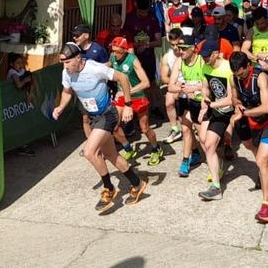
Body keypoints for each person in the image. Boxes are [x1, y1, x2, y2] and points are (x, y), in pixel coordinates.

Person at [51, 43, 148, 212]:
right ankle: (137, 183)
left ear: (78, 58)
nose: (65, 66)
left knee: (90, 152)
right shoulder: (66, 73)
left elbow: (122, 78)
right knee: (111, 155)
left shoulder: (94, 68)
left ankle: (109, 188)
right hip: (95, 117)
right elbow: (67, 92)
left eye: (67, 62)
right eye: (63, 63)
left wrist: (127, 105)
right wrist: (61, 107)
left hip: (108, 115)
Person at [231, 51, 268, 222]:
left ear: (248, 66)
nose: (239, 77)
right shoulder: (234, 78)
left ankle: (266, 207)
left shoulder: (260, 77)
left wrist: (244, 113)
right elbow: (234, 97)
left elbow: (265, 107)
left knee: (262, 160)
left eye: (241, 73)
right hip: (254, 124)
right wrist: (238, 104)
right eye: (236, 75)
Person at [110, 37, 164, 166]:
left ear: (124, 50)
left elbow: (145, 83)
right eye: (113, 50)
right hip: (122, 97)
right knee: (113, 126)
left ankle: (156, 148)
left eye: (117, 51)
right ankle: (128, 148)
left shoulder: (133, 60)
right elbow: (109, 65)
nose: (114, 53)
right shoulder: (112, 57)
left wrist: (128, 92)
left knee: (144, 128)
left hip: (137, 97)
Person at [198, 39, 236, 201]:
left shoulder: (228, 68)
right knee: (205, 141)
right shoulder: (205, 66)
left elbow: (231, 99)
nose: (205, 59)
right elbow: (205, 88)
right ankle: (216, 185)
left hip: (232, 111)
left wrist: (210, 105)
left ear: (216, 54)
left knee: (252, 147)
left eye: (207, 56)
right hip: (216, 110)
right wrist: (204, 105)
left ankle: (266, 175)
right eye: (203, 56)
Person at [168, 35, 206, 177]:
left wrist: (195, 88)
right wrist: (183, 88)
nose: (180, 51)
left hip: (204, 103)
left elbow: (208, 82)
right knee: (185, 128)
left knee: (204, 138)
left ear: (193, 48)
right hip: (190, 102)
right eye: (178, 48)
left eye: (183, 48)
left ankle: (214, 162)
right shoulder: (179, 62)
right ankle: (186, 160)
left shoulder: (201, 60)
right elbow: (171, 86)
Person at [160, 28, 186, 145]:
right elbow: (164, 77)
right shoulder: (167, 57)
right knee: (168, 101)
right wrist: (175, 85)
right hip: (175, 83)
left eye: (177, 44)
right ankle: (175, 129)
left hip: (190, 83)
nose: (175, 48)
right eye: (172, 45)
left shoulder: (188, 52)